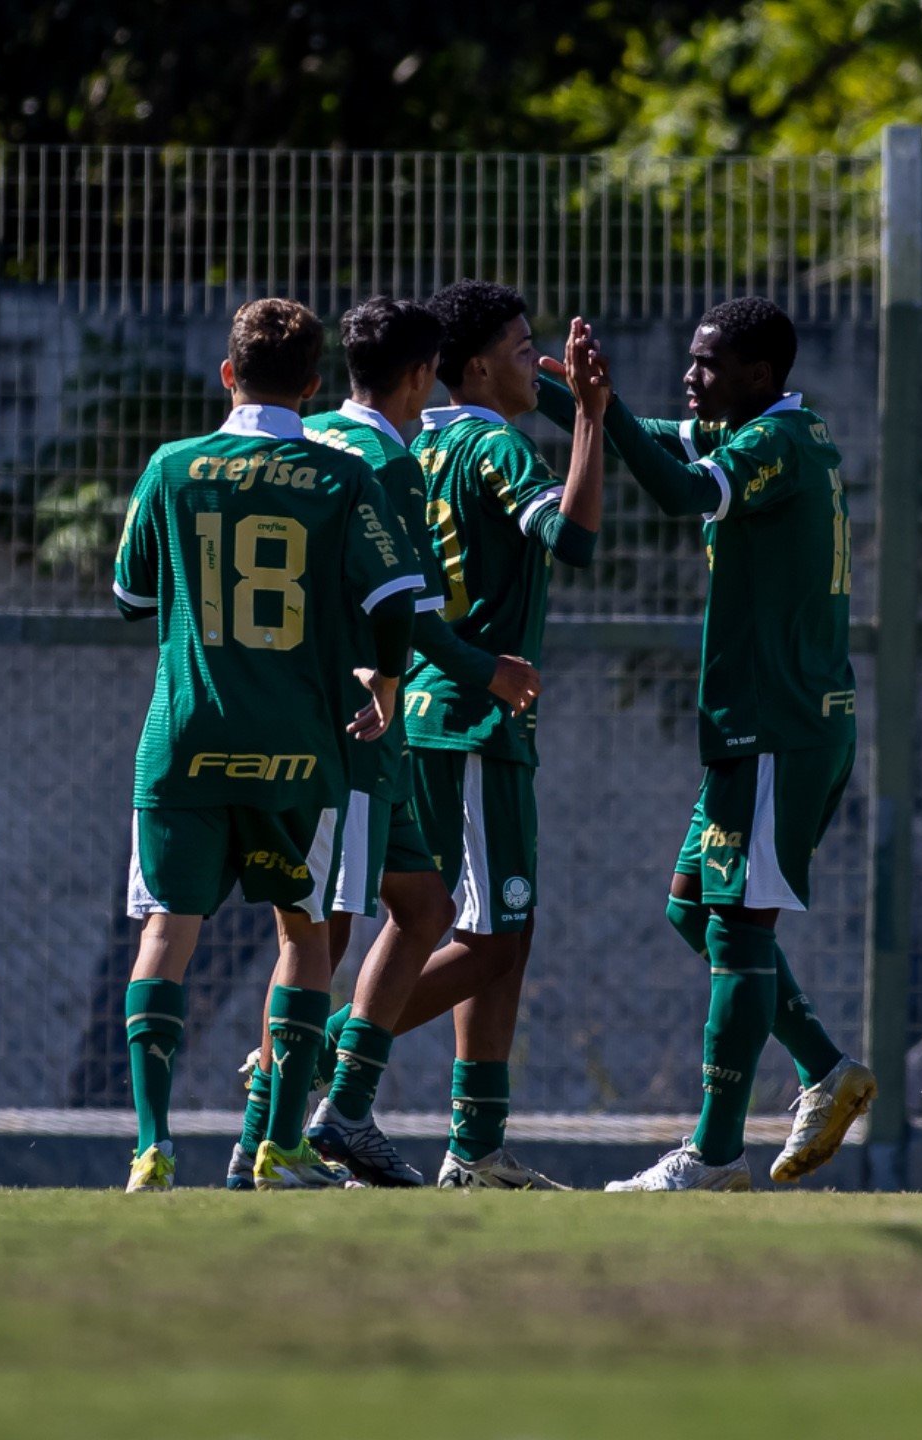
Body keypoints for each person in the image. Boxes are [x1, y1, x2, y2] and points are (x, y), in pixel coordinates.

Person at [534, 297, 877, 1191]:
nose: (690, 376)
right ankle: (826, 1068)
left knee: (738, 925)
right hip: (759, 727)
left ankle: (716, 1153)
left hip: (778, 726)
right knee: (693, 907)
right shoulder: (763, 429)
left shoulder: (774, 444)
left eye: (707, 363)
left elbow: (682, 490)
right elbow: (648, 438)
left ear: (760, 375)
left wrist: (597, 412)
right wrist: (559, 398)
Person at [217, 296, 545, 1188]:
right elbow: (410, 609)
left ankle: (335, 1112)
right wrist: (486, 669)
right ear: (418, 376)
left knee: (419, 909)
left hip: (322, 710)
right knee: (321, 933)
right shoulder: (389, 466)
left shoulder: (311, 434)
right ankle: (274, 1131)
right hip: (353, 718)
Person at [109, 297, 426, 1192]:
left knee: (167, 931)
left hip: (186, 742)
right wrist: (388, 684)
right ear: (314, 384)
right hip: (296, 747)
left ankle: (151, 1147)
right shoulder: (341, 477)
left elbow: (131, 596)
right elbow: (395, 597)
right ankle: (282, 1148)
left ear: (227, 374)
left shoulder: (171, 466)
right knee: (304, 933)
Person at [394, 279, 608, 1189]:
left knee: (496, 931)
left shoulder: (415, 446)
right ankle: (310, 1057)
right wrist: (590, 416)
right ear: (478, 368)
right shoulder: (494, 444)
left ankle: (476, 1147)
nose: (538, 364)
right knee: (490, 939)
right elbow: (573, 540)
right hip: (475, 719)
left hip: (430, 715)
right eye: (524, 350)